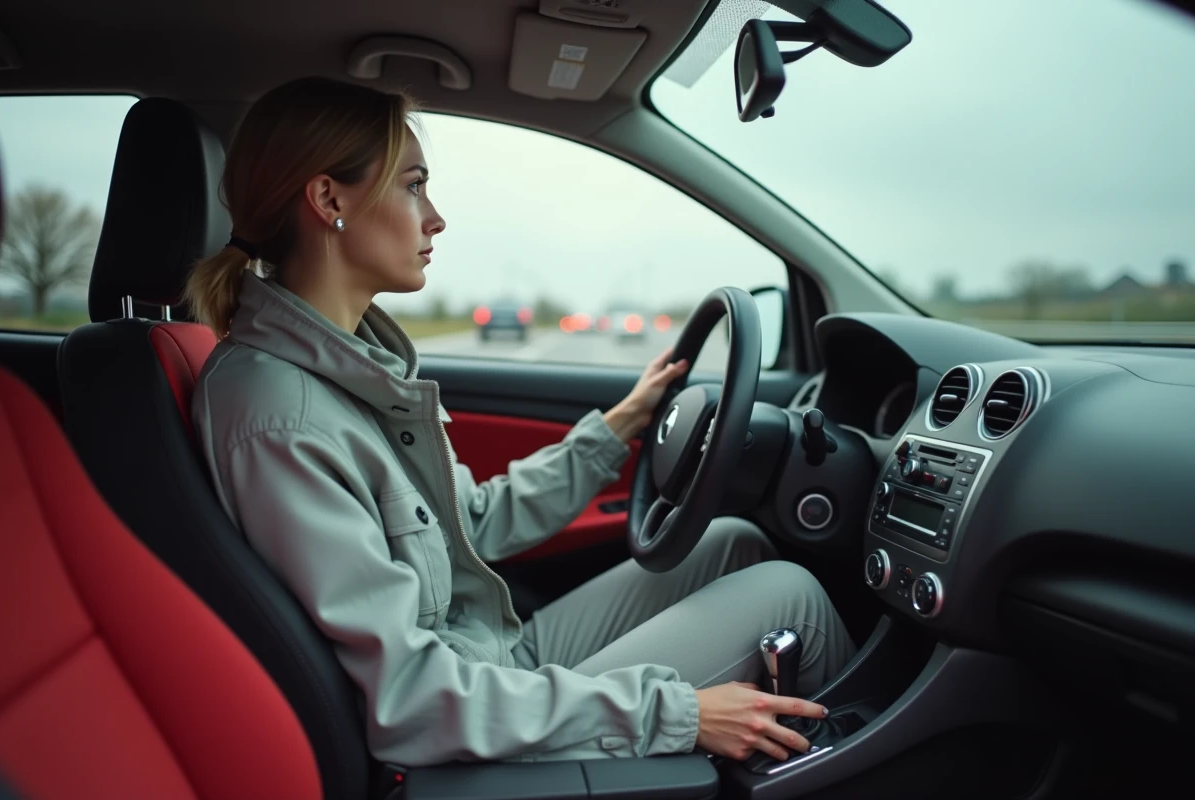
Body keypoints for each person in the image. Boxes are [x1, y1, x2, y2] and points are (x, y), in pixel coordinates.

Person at [186, 76, 856, 768]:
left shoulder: (350, 371)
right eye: (413, 185)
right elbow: (408, 699)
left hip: (487, 657)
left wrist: (619, 424)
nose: (435, 217)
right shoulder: (280, 413)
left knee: (733, 542)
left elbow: (468, 523)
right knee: (793, 597)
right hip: (457, 718)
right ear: (329, 200)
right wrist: (681, 714)